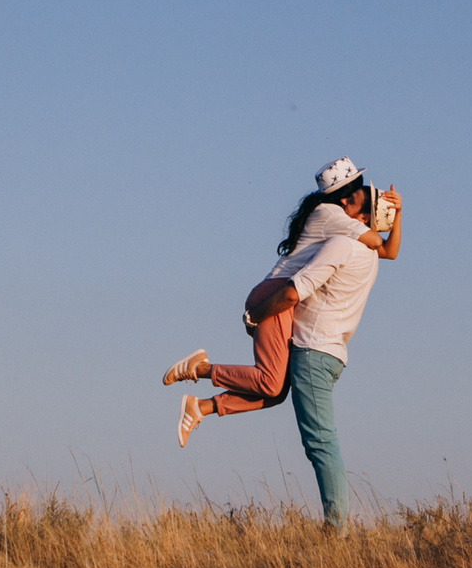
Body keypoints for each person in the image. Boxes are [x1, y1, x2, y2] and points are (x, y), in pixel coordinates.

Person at [163, 157, 400, 528]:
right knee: (272, 383)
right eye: (355, 191)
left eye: (361, 191)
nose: (360, 194)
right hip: (275, 296)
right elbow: (379, 243)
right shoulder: (332, 218)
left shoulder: (345, 230)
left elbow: (386, 249)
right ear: (342, 199)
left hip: (285, 306)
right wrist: (385, 214)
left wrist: (389, 214)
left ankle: (202, 406)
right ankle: (200, 369)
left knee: (274, 392)